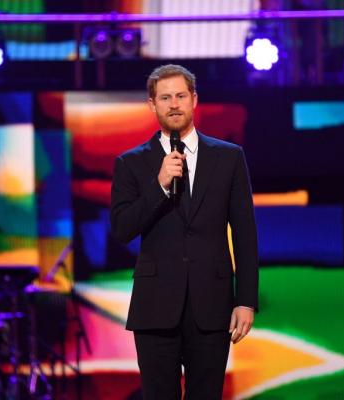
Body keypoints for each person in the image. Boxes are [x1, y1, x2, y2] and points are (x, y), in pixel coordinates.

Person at [110, 64, 259, 399]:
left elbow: (245, 234)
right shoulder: (130, 163)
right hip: (155, 307)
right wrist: (160, 185)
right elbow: (122, 228)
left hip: (212, 305)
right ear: (152, 104)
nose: (174, 104)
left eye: (180, 96)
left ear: (194, 99)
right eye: (165, 98)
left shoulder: (229, 158)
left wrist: (246, 301)